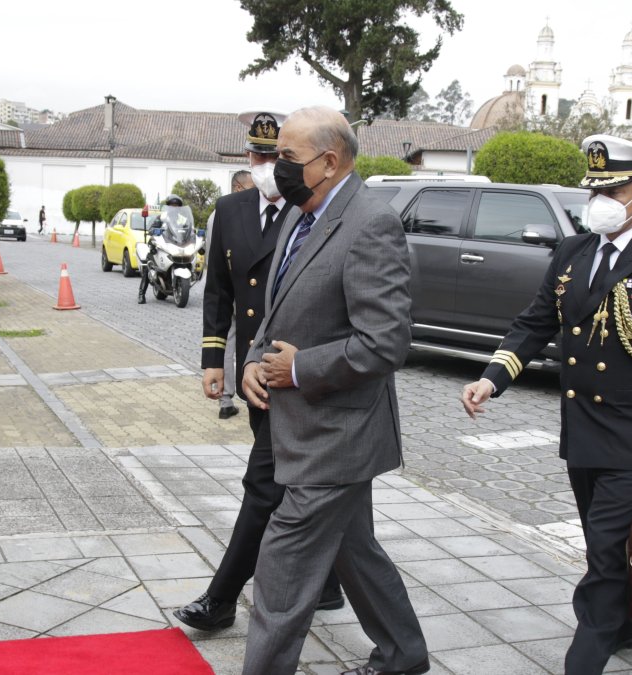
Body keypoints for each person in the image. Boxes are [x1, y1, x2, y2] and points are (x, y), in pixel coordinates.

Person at [461, 134, 632, 675]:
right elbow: (536, 322)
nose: (597, 201)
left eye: (613, 190)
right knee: (602, 539)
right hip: (582, 427)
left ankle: (584, 659)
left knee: (604, 548)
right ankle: (626, 622)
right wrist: (492, 378)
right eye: (593, 189)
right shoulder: (573, 251)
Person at [239, 106, 428, 675]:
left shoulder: (370, 222)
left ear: (328, 161)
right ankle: (404, 654)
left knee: (281, 570)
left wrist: (297, 370)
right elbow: (278, 315)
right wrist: (253, 359)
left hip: (338, 433)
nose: (276, 168)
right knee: (354, 550)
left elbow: (386, 342)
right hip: (300, 425)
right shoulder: (302, 214)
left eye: (287, 158)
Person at [175, 112, 344, 634]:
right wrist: (214, 362)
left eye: (278, 158)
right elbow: (220, 292)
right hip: (255, 370)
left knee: (266, 484)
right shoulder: (231, 210)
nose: (268, 167)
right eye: (260, 157)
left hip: (295, 371)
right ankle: (333, 583)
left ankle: (221, 598)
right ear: (247, 159)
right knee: (317, 490)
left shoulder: (309, 212)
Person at [203, 169, 255, 419]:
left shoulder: (218, 214)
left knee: (231, 341)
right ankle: (229, 395)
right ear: (237, 187)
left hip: (238, 290)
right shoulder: (224, 213)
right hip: (234, 290)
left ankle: (227, 399)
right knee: (228, 340)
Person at [137, 194, 186, 304]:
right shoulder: (162, 217)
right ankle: (141, 293)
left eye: (177, 205)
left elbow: (189, 230)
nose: (174, 207)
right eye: (172, 205)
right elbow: (151, 229)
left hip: (176, 246)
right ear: (168, 206)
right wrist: (155, 230)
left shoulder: (182, 219)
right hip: (161, 246)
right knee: (149, 264)